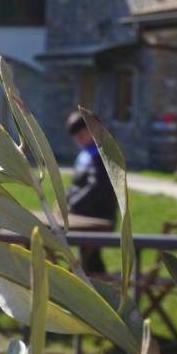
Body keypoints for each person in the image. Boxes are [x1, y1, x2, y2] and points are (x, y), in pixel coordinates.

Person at [65, 112, 118, 274]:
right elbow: (79, 183)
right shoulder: (87, 153)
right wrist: (67, 198)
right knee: (89, 257)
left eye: (81, 135)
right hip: (82, 215)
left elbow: (97, 187)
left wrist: (74, 202)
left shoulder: (102, 155)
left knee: (90, 257)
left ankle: (96, 289)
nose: (78, 140)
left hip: (96, 217)